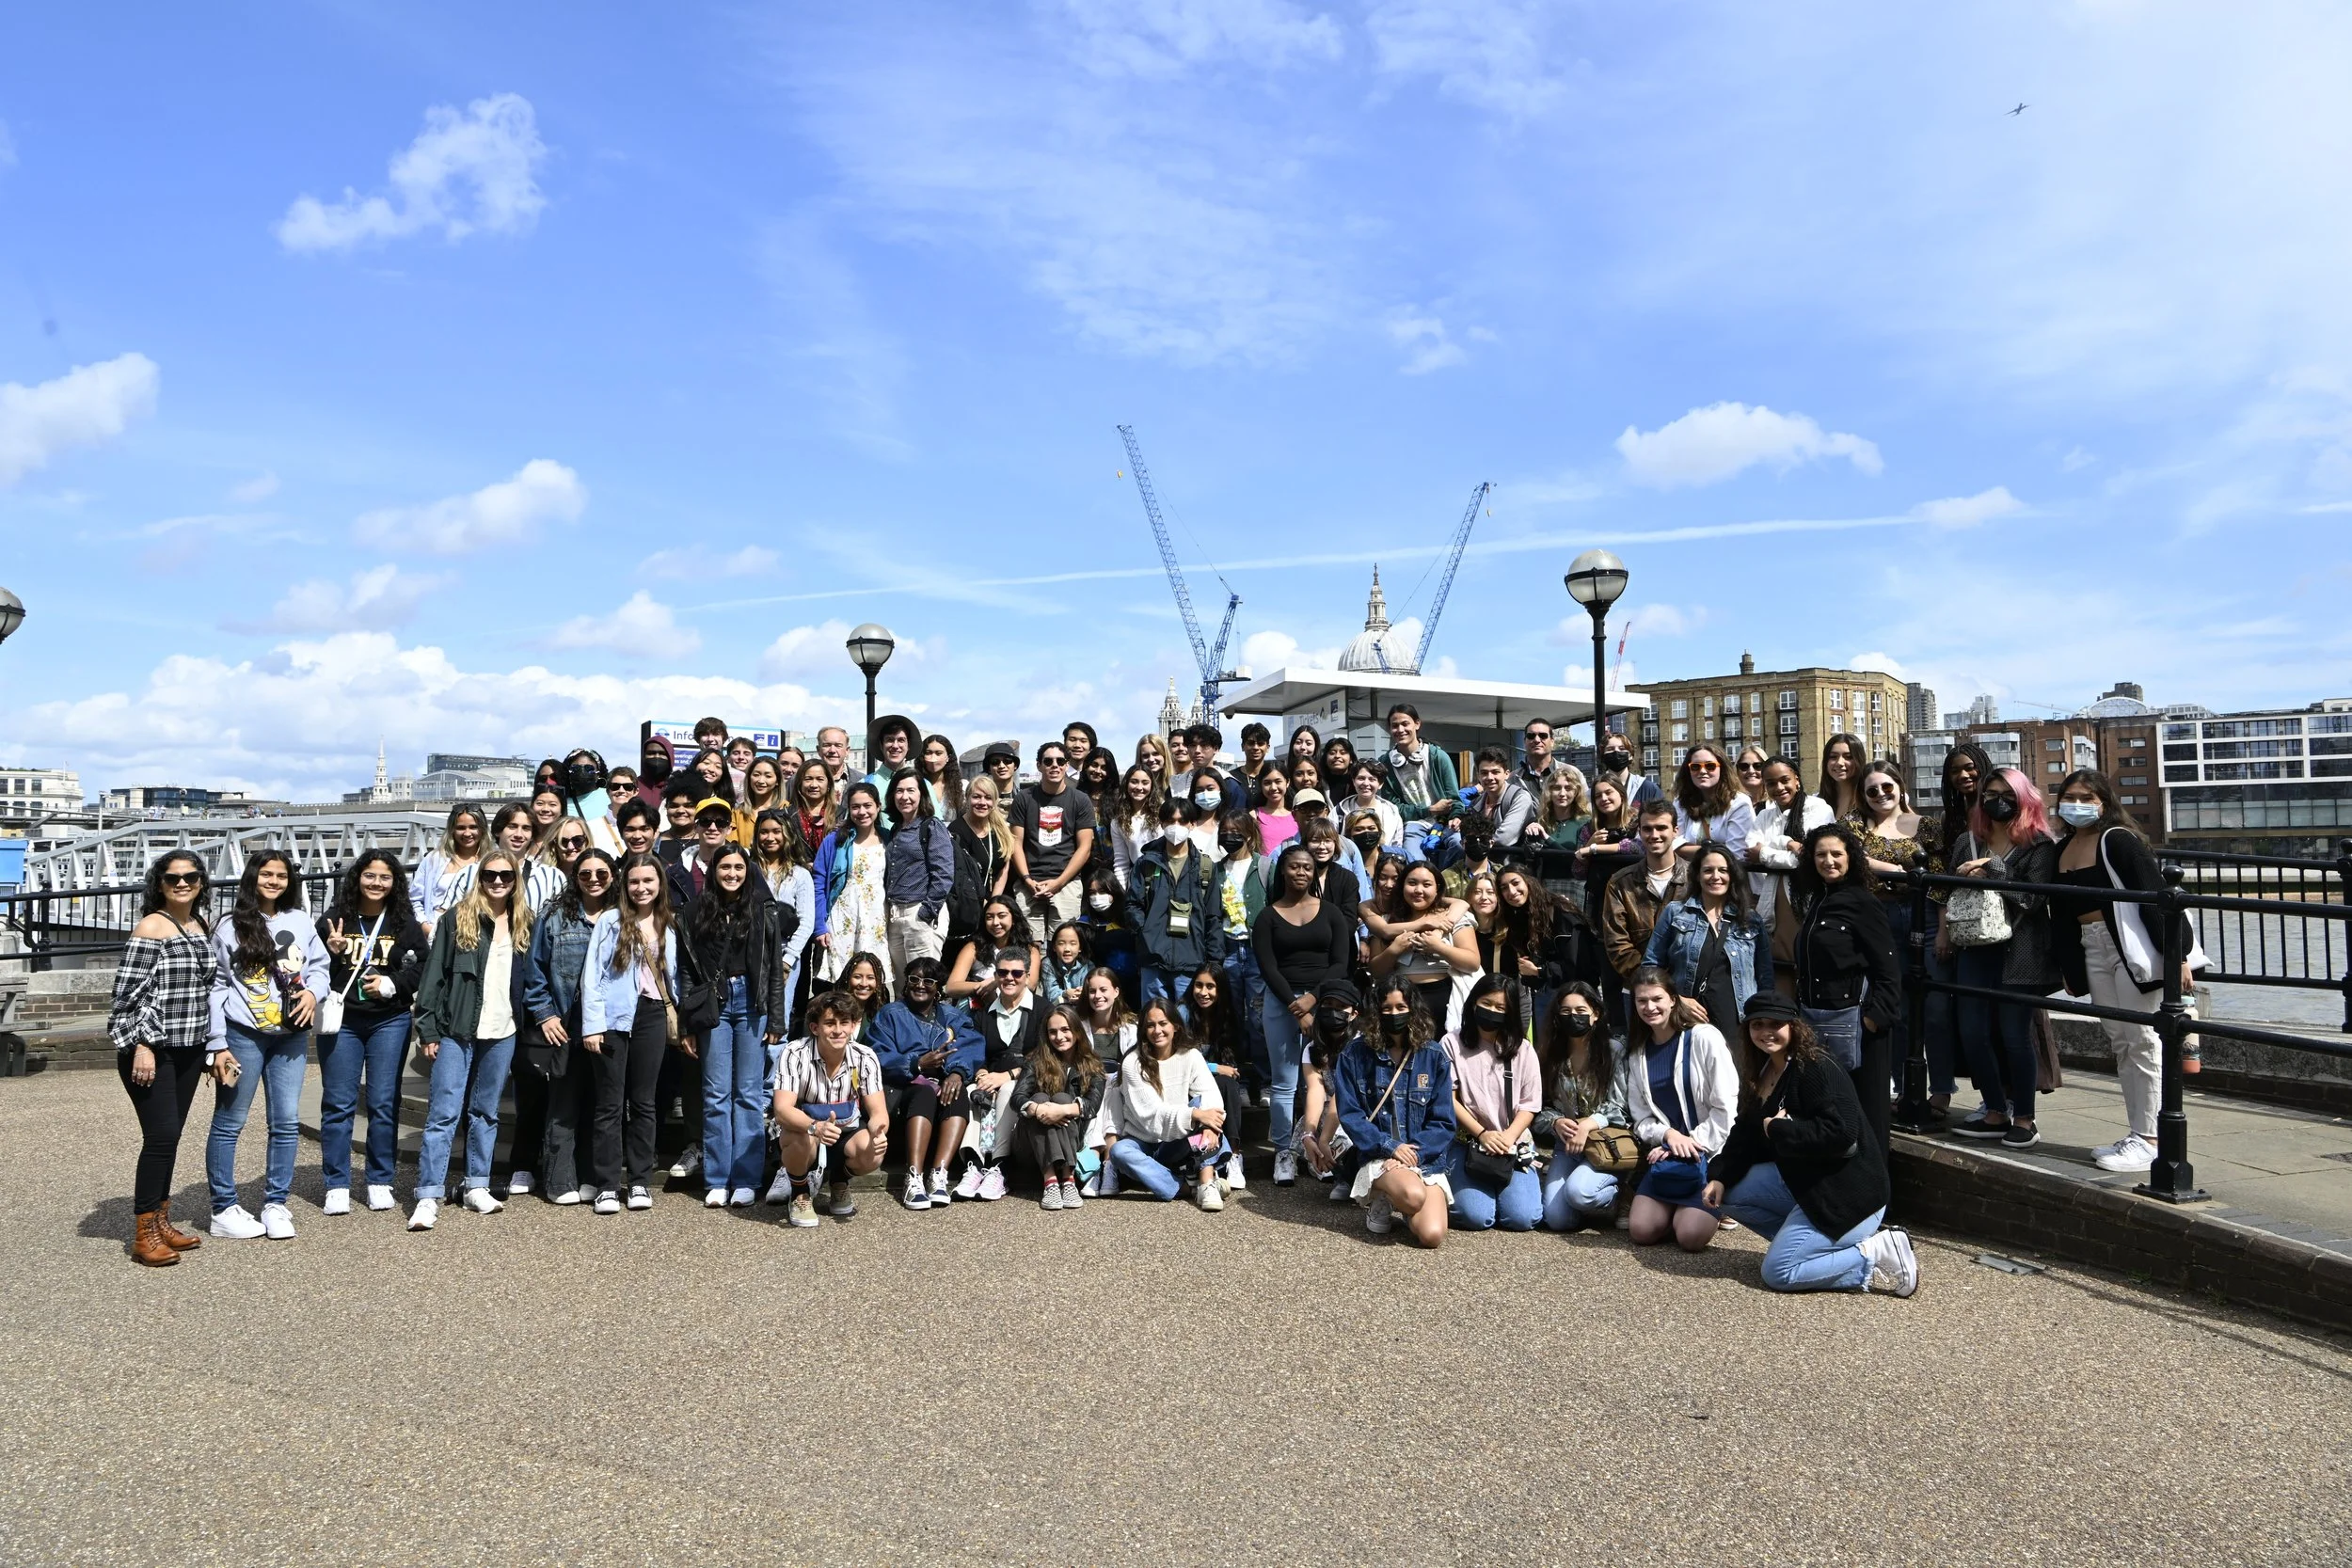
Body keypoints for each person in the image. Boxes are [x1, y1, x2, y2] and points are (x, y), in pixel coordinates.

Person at [1703, 993, 1919, 1296]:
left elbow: (1842, 1133)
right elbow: (1746, 1132)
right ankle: (1815, 1252)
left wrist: (1779, 1128)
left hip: (1847, 1194)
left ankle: (1873, 1251)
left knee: (1779, 1273)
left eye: (1775, 1024)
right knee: (1730, 1192)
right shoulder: (1762, 1069)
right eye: (1757, 1024)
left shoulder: (1815, 1067)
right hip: (1807, 1184)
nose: (1766, 1032)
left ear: (1794, 1026)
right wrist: (1720, 1175)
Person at [2049, 768, 2203, 1174]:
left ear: (2104, 803)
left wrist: (2177, 955)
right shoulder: (2062, 848)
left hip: (2128, 946)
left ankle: (2151, 1139)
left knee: (2142, 1040)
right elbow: (2061, 914)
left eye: (2087, 798)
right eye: (2069, 797)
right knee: (2120, 1040)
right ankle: (2139, 1132)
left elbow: (2157, 894)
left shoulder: (2118, 840)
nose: (2077, 805)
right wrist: (2070, 969)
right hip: (2093, 947)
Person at [203, 851, 329, 1242]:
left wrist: (314, 994)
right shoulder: (228, 926)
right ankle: (223, 1206)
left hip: (291, 1032)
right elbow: (216, 985)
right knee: (230, 1122)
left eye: (281, 875)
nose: (274, 881)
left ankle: (276, 1203)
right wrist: (217, 1042)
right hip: (243, 1034)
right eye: (266, 874)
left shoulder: (300, 920)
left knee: (286, 1122)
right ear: (252, 878)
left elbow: (319, 967)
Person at [406, 848, 532, 1231]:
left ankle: (477, 1184)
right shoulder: (457, 918)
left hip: (503, 1030)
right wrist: (427, 1029)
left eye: (506, 876)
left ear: (515, 881)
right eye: (490, 875)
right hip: (456, 1029)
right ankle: (429, 1193)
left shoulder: (525, 922)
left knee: (486, 1112)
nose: (498, 882)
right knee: (443, 1114)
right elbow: (434, 976)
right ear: (480, 878)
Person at [1943, 767, 2059, 1149]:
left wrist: (1991, 868)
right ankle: (1994, 1109)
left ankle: (2024, 1118)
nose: (1998, 801)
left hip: (2020, 950)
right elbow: (1950, 890)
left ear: (2024, 798)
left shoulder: (2038, 845)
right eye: (1990, 794)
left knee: (2014, 1035)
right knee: (1972, 1032)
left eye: (2008, 795)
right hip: (1974, 947)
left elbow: (2033, 898)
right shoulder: (1967, 841)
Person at [111, 853, 219, 1266]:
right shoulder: (152, 927)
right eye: (173, 878)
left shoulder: (199, 924)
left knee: (170, 1138)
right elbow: (127, 995)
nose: (182, 883)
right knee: (160, 1137)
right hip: (153, 1050)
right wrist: (142, 1046)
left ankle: (161, 1220)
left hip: (190, 1047)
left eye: (190, 877)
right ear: (160, 884)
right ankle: (144, 1234)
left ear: (201, 882)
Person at [315, 850, 429, 1215]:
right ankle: (337, 1183)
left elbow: (423, 966)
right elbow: (311, 969)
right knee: (338, 1103)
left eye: (385, 877)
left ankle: (380, 1179)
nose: (376, 883)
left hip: (389, 1020)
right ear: (357, 878)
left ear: (394, 883)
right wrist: (332, 953)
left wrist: (393, 984)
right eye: (369, 876)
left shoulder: (403, 922)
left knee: (383, 1101)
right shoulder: (334, 919)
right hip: (343, 1020)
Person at [686, 843, 792, 1207]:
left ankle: (746, 1178)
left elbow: (774, 968)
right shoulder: (695, 910)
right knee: (716, 1094)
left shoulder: (762, 909)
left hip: (752, 1002)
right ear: (713, 871)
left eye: (738, 868)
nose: (732, 874)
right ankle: (717, 1178)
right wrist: (687, 1024)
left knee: (748, 1094)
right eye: (725, 867)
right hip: (714, 1003)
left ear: (748, 872)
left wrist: (776, 1018)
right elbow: (687, 970)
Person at [1793, 823, 1903, 1162]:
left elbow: (1888, 967)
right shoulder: (1818, 900)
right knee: (1830, 1108)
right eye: (1820, 855)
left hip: (1857, 1024)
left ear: (1851, 858)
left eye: (1836, 854)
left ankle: (1877, 1185)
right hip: (1820, 1019)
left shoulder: (1863, 902)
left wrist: (1874, 1019)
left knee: (1868, 1114)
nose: (1828, 861)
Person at [580, 850, 681, 1214]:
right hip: (613, 1018)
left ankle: (639, 1181)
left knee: (644, 1102)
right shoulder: (611, 920)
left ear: (659, 883)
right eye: (634, 881)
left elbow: (675, 976)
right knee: (609, 1104)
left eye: (648, 880)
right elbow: (592, 974)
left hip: (652, 1015)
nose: (641, 887)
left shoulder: (668, 922)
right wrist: (592, 1025)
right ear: (625, 885)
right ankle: (607, 1185)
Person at [516, 847, 615, 1205]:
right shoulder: (554, 916)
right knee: (564, 1104)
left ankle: (591, 1176)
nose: (593, 880)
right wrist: (545, 1014)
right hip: (566, 1025)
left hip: (609, 1026)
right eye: (585, 874)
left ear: (613, 876)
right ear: (575, 878)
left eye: (601, 873)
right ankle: (560, 1181)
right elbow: (534, 971)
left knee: (602, 1104)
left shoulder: (622, 917)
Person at [1255, 844, 1356, 1180]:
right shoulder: (1267, 917)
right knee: (1284, 1082)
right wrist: (1297, 1009)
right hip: (1281, 1002)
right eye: (1294, 866)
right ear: (1283, 871)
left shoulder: (1331, 913)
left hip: (1325, 1003)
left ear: (1315, 873)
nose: (1301, 872)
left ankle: (1317, 1150)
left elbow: (1340, 963)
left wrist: (1313, 998)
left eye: (1307, 867)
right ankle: (1284, 1151)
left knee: (1321, 1081)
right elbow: (1268, 968)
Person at [1622, 966, 1738, 1253]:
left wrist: (1688, 1143)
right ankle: (1672, 1210)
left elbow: (1726, 1109)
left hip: (1708, 1154)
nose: (1650, 1007)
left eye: (1657, 999)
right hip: (1667, 1156)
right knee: (1641, 1231)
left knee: (1690, 1237)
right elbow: (1641, 1117)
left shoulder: (1704, 1038)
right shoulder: (1637, 1053)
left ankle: (1712, 1205)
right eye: (1642, 1001)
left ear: (1673, 999)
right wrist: (1667, 1136)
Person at [1334, 977, 1456, 1246]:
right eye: (1386, 1008)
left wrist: (1412, 1154)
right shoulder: (1354, 1054)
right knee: (1413, 1196)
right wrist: (1390, 1147)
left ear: (1413, 1009)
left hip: (1423, 1157)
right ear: (1376, 1012)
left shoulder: (1434, 1055)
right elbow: (1351, 1115)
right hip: (1379, 1153)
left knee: (1432, 1236)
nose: (1394, 1014)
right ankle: (1384, 1194)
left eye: (1401, 1007)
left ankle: (1400, 1197)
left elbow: (1443, 1122)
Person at [870, 956, 984, 1211]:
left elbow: (971, 1044)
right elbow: (878, 1055)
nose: (920, 985)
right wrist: (917, 1064)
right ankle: (913, 1177)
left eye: (929, 981)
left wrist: (957, 1073)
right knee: (923, 1093)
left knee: (957, 1093)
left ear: (938, 987)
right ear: (906, 983)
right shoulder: (890, 1014)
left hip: (942, 1083)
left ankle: (939, 1175)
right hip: (902, 1088)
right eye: (914, 979)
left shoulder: (952, 1016)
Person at [771, 990, 891, 1228]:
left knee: (874, 1150)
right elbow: (782, 1110)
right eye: (830, 1023)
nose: (838, 1030)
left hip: (847, 1129)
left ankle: (839, 1181)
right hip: (805, 1129)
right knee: (798, 1139)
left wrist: (879, 1131)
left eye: (844, 1023)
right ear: (815, 1028)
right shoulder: (794, 1053)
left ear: (854, 1026)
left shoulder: (865, 1056)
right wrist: (815, 1127)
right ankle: (800, 1193)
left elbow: (879, 1111)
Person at [1921, 741, 1994, 1125]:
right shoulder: (1950, 818)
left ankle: (2003, 1100)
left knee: (1994, 1015)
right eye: (1954, 771)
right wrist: (1944, 929)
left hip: (1999, 922)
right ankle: (1987, 1097)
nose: (1964, 775)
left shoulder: (2000, 806)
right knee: (1962, 1013)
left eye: (1969, 767)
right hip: (1960, 924)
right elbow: (1943, 879)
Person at [1107, 996, 1228, 1211]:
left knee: (1207, 1112)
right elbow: (1151, 1114)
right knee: (1119, 1152)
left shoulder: (1191, 1055)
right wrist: (1195, 1115)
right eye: (1150, 1025)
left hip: (1177, 1142)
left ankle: (1206, 1182)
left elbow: (1210, 1095)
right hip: (1144, 1142)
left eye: (1163, 1023)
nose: (1157, 1031)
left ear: (1176, 1026)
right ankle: (1185, 1187)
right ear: (1143, 1030)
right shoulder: (1132, 1062)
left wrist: (1209, 1126)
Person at [1440, 976, 1541, 1231]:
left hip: (1512, 1141)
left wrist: (1508, 1137)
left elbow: (1530, 1104)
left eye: (1500, 1008)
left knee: (1522, 1218)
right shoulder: (1451, 1043)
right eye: (1486, 1003)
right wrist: (1482, 1134)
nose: (1492, 1011)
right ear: (1473, 1003)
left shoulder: (1523, 1049)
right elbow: (1449, 1099)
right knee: (1475, 1216)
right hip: (1468, 1141)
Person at [1643, 844, 1772, 1037]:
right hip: (1687, 1018)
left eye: (1723, 870)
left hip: (1738, 1020)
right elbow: (1651, 966)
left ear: (1732, 875)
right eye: (1708, 870)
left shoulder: (1750, 920)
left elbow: (1765, 977)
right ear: (1697, 875)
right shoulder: (1675, 913)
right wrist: (1676, 999)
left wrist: (1762, 1019)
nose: (1716, 876)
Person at [1534, 982, 1627, 1232]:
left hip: (1606, 1144)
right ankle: (1582, 1201)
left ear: (1595, 1014)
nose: (1573, 1016)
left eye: (1580, 1010)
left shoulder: (1614, 1051)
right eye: (1565, 1011)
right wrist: (1555, 1122)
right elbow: (1538, 1107)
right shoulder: (1548, 1054)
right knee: (1557, 1220)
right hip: (1567, 1146)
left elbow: (1621, 1106)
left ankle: (1621, 1195)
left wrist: (1588, 1124)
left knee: (1579, 1193)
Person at [961, 944, 1042, 1201]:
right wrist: (982, 1074)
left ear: (1027, 976)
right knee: (971, 1090)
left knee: (1008, 1089)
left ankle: (999, 1166)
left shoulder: (1043, 1009)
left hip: (1028, 1080)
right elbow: (976, 1052)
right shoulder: (983, 1014)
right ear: (996, 976)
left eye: (1016, 973)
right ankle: (974, 1166)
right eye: (1003, 973)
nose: (1009, 978)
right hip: (991, 1079)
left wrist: (1008, 1076)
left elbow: (1046, 1056)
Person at [1129, 794, 1224, 1007]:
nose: (1176, 826)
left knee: (1187, 1019)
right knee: (1155, 1019)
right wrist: (1145, 934)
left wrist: (1214, 962)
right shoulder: (1146, 864)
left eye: (1182, 821)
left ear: (1192, 824)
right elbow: (1133, 905)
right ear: (1162, 824)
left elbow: (1213, 917)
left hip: (1191, 962)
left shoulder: (1205, 867)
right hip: (1153, 960)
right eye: (1171, 821)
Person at [1011, 1006, 1109, 1211]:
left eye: (1065, 1030)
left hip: (1073, 1142)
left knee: (1063, 1099)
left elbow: (1092, 1106)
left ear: (1077, 1031)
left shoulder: (1093, 1064)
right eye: (1053, 1032)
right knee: (1039, 1097)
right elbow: (1017, 1098)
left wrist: (1061, 1111)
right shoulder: (1035, 1060)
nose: (1059, 1037)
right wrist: (1037, 1109)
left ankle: (1066, 1180)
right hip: (1031, 1145)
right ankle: (1052, 1182)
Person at [1367, 859, 1481, 1028]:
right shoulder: (1387, 921)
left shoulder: (1453, 918)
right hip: (1400, 1002)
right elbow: (1376, 971)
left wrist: (1438, 947)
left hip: (1445, 997)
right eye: (1412, 883)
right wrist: (1394, 950)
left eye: (1427, 884)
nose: (1418, 890)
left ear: (1437, 889)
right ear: (1402, 886)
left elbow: (1472, 963)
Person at [1598, 801, 1688, 1014]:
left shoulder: (1696, 879)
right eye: (1647, 829)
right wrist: (1653, 981)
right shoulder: (1620, 882)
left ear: (1675, 831)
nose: (1654, 835)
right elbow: (1617, 945)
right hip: (1640, 991)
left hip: (1688, 991)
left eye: (1661, 828)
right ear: (1639, 831)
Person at [1009, 740, 1098, 944]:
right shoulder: (1024, 798)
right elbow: (1015, 844)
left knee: (1065, 946)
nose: (1055, 766)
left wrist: (1059, 882)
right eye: (1048, 761)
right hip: (1030, 883)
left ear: (1067, 765)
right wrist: (1027, 880)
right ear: (1039, 765)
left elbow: (1085, 848)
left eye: (1060, 761)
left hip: (1066, 883)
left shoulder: (1080, 800)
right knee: (1030, 945)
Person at [1748, 756, 1834, 964]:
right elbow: (1751, 850)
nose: (1779, 787)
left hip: (1807, 894)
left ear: (1797, 779)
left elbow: (1809, 858)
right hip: (1773, 895)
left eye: (1784, 780)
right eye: (1771, 783)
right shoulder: (1764, 815)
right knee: (1780, 960)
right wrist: (1789, 844)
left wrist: (1767, 852)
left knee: (1806, 957)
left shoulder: (1818, 808)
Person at [1208, 808, 1270, 1096]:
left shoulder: (1265, 867)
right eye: (1225, 833)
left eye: (1236, 832)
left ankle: (1265, 1078)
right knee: (1230, 1018)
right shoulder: (1215, 870)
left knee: (1258, 1018)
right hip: (1228, 949)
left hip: (1257, 951)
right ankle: (1238, 1080)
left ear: (1249, 834)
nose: (1230, 837)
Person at [879, 768, 955, 984]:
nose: (905, 796)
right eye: (899, 791)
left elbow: (943, 873)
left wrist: (926, 912)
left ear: (921, 794)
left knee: (923, 983)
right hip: (895, 915)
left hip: (920, 913)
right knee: (901, 984)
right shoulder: (896, 829)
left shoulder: (931, 826)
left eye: (911, 790)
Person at [815, 782, 892, 988]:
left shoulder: (888, 838)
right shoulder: (835, 841)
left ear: (878, 806)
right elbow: (819, 882)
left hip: (876, 919)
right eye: (855, 807)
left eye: (868, 805)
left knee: (872, 980)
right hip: (842, 918)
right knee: (842, 979)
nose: (862, 812)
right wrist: (819, 926)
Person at [750, 808, 818, 1034]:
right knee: (752, 1020)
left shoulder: (799, 874)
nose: (770, 837)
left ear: (787, 834)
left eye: (776, 831)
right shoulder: (748, 870)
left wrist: (788, 961)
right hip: (750, 954)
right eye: (764, 832)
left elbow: (806, 922)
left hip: (784, 953)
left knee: (778, 1022)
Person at [947, 774, 1016, 952]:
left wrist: (993, 903)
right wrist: (983, 905)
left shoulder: (1000, 829)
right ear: (967, 798)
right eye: (976, 797)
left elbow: (1004, 867)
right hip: (967, 908)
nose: (982, 802)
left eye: (988, 798)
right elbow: (959, 876)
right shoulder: (956, 831)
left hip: (993, 907)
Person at [1376, 704, 1461, 830]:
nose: (1400, 730)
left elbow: (1454, 800)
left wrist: (1456, 817)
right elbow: (1393, 809)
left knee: (1456, 841)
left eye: (1405, 724)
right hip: (1411, 825)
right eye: (1395, 726)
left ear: (1417, 724)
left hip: (1444, 823)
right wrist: (1430, 810)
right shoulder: (1385, 764)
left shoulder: (1438, 757)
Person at [411, 802, 487, 935]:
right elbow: (415, 899)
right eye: (461, 828)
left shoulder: (492, 861)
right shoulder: (434, 859)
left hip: (477, 935)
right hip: (436, 934)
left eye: (473, 827)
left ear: (482, 829)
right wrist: (426, 927)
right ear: (452, 830)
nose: (467, 833)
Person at [1669, 743, 1753, 863]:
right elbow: (1672, 843)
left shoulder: (1739, 803)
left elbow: (1736, 853)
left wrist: (1688, 850)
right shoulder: (1680, 802)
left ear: (1722, 769)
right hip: (1691, 874)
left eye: (1710, 766)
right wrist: (1717, 849)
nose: (1702, 771)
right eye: (1695, 767)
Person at [946, 894, 1036, 1003]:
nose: (995, 922)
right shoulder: (974, 948)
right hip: (979, 1005)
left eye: (1002, 916)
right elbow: (951, 987)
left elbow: (1031, 984)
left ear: (1014, 919)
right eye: (989, 917)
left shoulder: (1029, 950)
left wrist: (997, 981)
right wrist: (984, 986)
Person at [1573, 776, 1639, 918]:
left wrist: (1594, 849)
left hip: (1633, 894)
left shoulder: (1637, 822)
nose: (1604, 798)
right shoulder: (1589, 829)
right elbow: (1578, 872)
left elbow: (1638, 848)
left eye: (1608, 792)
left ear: (1621, 794)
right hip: (1600, 899)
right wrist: (1589, 845)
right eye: (1598, 796)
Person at [1106, 764, 1164, 888]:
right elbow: (1121, 862)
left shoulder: (1164, 813)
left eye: (1145, 783)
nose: (1139, 787)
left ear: (1152, 786)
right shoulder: (1118, 821)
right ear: (1126, 784)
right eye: (1134, 782)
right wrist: (1121, 892)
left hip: (1163, 879)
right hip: (1138, 881)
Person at [1467, 747, 1537, 847]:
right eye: (1484, 773)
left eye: (1495, 772)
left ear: (1507, 774)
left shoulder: (1519, 798)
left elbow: (1504, 838)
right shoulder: (1475, 804)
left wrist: (1475, 843)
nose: (1490, 777)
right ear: (1478, 776)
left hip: (1513, 857)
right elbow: (1467, 835)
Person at [1340, 762, 1406, 851]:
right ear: (1353, 781)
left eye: (1372, 779)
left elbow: (1396, 845)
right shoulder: (1340, 811)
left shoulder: (1391, 811)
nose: (1366, 783)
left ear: (1380, 784)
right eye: (1361, 778)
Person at [1515, 719, 1581, 805]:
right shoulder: (1513, 779)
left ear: (1552, 742)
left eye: (1543, 736)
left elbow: (1585, 807)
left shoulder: (1573, 773)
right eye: (1531, 736)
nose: (1537, 740)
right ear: (1524, 742)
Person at [1593, 730, 1662, 809]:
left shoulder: (1649, 789)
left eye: (1622, 748)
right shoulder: (1596, 791)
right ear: (1603, 756)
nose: (1616, 751)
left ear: (1630, 756)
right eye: (1610, 749)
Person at [790, 758, 836, 868]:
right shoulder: (788, 815)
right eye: (808, 779)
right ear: (799, 783)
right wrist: (802, 865)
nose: (814, 785)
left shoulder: (841, 814)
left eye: (820, 779)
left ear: (829, 783)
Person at [1531, 767, 1590, 850]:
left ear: (1576, 792)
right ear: (1549, 791)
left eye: (1568, 788)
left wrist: (1546, 838)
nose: (1562, 793)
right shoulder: (1541, 821)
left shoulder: (1586, 823)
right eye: (1557, 788)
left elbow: (1578, 857)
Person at [734, 755, 787, 846]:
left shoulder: (787, 809)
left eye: (768, 776)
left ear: (777, 781)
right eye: (756, 775)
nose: (761, 781)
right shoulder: (737, 813)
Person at [1040, 920, 1090, 1007]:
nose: (1067, 949)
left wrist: (1082, 992)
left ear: (1080, 947)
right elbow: (1051, 995)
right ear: (1054, 947)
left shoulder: (1088, 966)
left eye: (1073, 944)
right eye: (1061, 943)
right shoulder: (1048, 964)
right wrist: (1065, 993)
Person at [1820, 732, 1867, 823]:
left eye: (1848, 757)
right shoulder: (1817, 802)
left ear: (1859, 760)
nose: (1839, 763)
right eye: (1833, 757)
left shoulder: (1871, 799)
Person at [864, 714, 920, 793]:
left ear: (909, 745)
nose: (895, 746)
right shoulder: (865, 785)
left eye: (901, 740)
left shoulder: (922, 784)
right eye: (889, 740)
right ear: (881, 745)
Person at [1252, 764, 1298, 857]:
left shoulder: (1297, 815)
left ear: (1287, 782)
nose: (1273, 787)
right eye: (1267, 783)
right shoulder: (1254, 816)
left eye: (1278, 782)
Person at [917, 733, 964, 821]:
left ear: (948, 757)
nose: (933, 759)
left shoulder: (960, 787)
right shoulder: (916, 785)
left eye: (938, 753)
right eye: (928, 753)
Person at [1319, 735, 1361, 804]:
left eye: (1343, 753)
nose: (1337, 756)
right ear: (1325, 759)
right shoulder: (1319, 784)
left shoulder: (1357, 783)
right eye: (1332, 753)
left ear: (1351, 759)